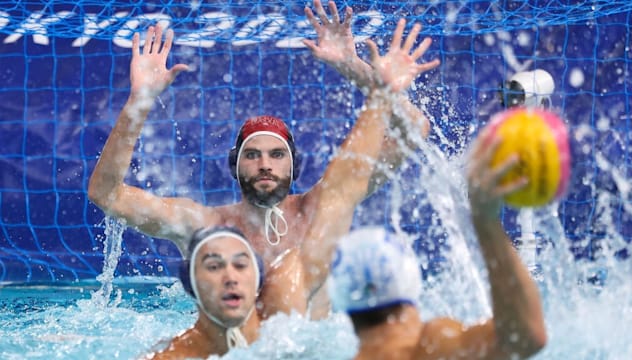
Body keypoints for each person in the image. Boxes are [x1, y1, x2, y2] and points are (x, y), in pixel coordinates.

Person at [87, 0, 439, 319]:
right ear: (235, 166)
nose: (265, 164)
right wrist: (140, 100)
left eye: (276, 155)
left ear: (293, 165)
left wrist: (355, 68)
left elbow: (414, 131)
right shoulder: (205, 226)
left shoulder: (321, 207)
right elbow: (107, 195)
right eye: (252, 155)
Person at [327, 129, 547, 359]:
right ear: (411, 278)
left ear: (340, 297)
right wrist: (485, 219)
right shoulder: (432, 347)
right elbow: (527, 336)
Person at [144, 226, 263, 359]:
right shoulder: (170, 357)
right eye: (214, 267)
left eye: (240, 265)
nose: (231, 278)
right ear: (189, 282)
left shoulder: (285, 332)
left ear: (258, 277)